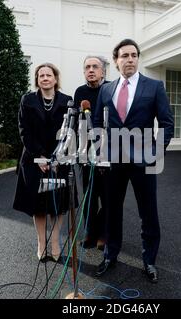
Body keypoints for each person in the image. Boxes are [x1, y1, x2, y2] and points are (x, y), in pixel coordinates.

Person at [93, 39, 174, 283]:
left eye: (134, 55)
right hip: (113, 162)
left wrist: (156, 153)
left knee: (148, 212)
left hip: (144, 161)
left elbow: (167, 123)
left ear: (138, 59)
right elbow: (97, 122)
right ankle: (110, 254)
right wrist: (100, 151)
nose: (130, 59)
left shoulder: (154, 86)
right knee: (112, 210)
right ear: (116, 61)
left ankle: (149, 260)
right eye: (124, 56)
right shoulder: (106, 90)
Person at [13, 63, 73, 263]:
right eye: (41, 75)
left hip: (60, 160)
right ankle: (41, 243)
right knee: (38, 205)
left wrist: (57, 157)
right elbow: (24, 130)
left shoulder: (67, 101)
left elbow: (69, 133)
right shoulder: (27, 100)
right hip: (33, 160)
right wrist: (39, 156)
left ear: (55, 79)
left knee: (58, 205)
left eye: (48, 75)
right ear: (37, 79)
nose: (45, 78)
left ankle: (55, 242)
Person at [74, 56, 109, 251]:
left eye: (95, 67)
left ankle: (104, 233)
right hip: (85, 152)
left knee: (106, 196)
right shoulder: (80, 92)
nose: (91, 70)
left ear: (103, 71)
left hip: (107, 151)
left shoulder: (110, 89)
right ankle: (90, 232)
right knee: (89, 195)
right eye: (87, 67)